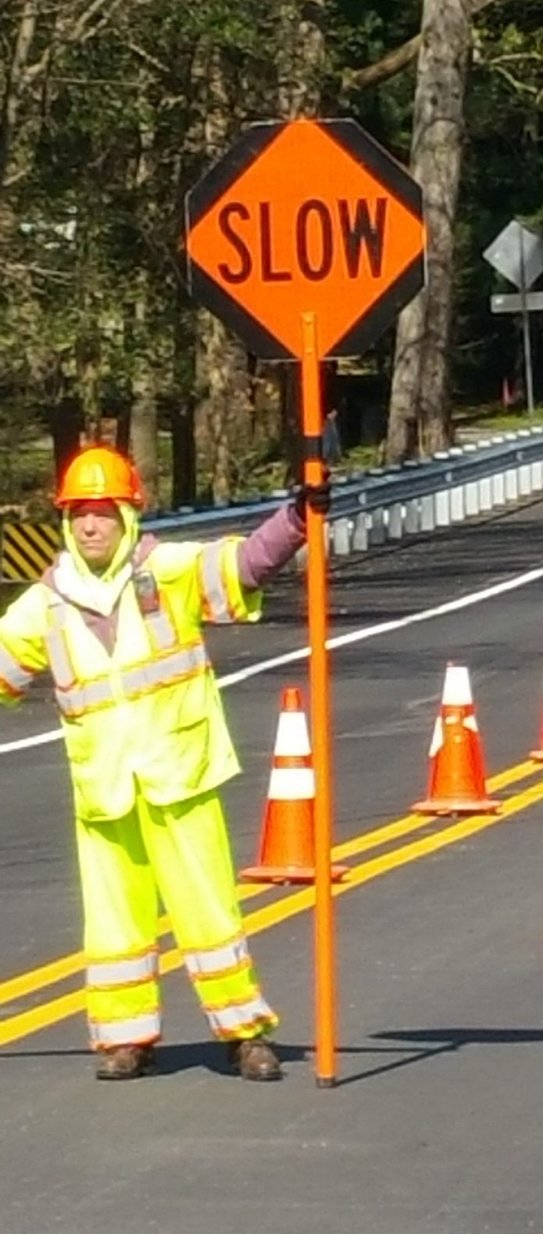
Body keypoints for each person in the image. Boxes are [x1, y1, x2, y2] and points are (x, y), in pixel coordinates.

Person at [0, 444, 318, 1081]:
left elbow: (241, 566)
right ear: (65, 521)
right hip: (105, 791)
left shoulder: (164, 571)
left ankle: (244, 1033)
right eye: (79, 514)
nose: (91, 525)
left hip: (179, 775)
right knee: (114, 922)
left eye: (103, 512)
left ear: (126, 515)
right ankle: (125, 1038)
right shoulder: (45, 604)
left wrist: (296, 520)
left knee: (209, 912)